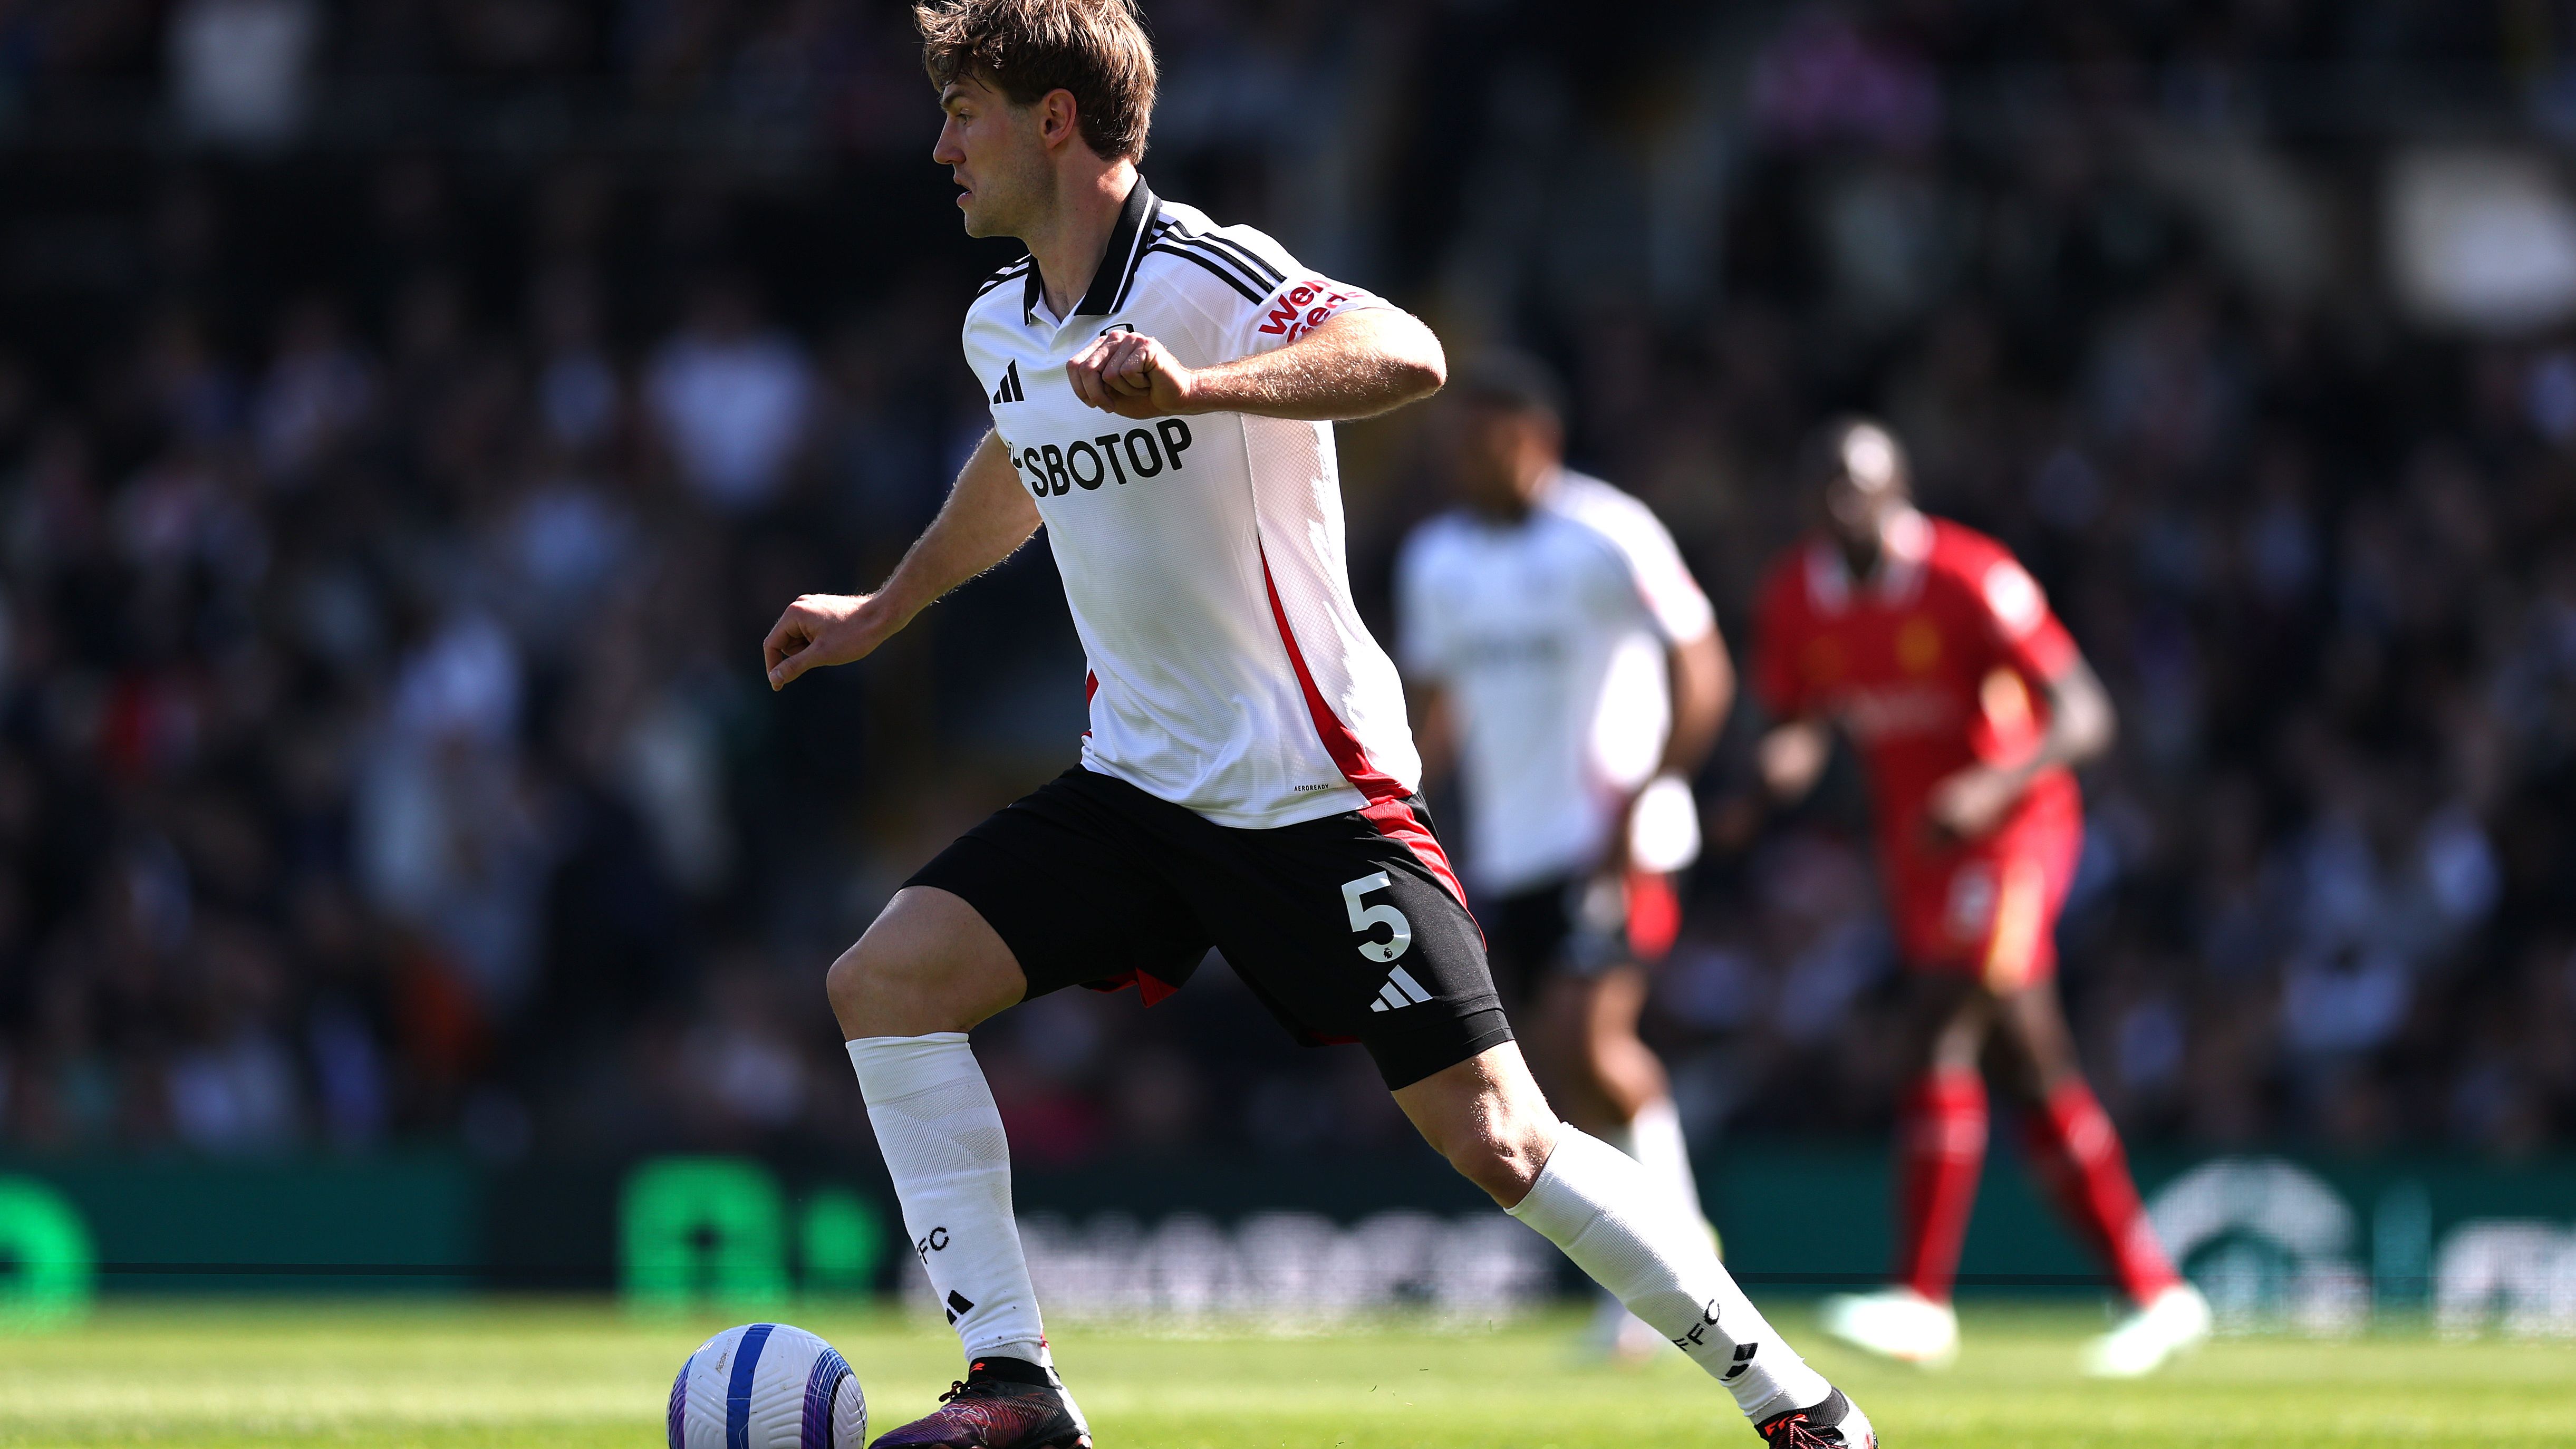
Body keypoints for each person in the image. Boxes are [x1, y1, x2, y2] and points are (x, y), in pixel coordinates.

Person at [761, 3, 1874, 1446]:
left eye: (963, 110)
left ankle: (1789, 1400)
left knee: (1502, 1138)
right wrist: (881, 608)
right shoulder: (1003, 323)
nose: (937, 145)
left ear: (1053, 119)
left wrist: (1201, 386)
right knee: (884, 981)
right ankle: (1012, 1387)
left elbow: (1403, 352)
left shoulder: (1204, 272)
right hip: (1137, 789)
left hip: (1311, 795)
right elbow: (1022, 457)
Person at [1749, 417, 2210, 1377]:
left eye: (1858, 484)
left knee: (1934, 1030)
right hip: (1919, 852)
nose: (1841, 503)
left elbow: (2085, 713)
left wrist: (1994, 787)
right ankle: (2157, 1293)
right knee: (2031, 1067)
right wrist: (1784, 763)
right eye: (1825, 486)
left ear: (1897, 491)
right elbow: (1800, 714)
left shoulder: (1968, 577)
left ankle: (1920, 1300)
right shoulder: (1797, 596)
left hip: (2013, 836)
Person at [1395, 352, 1731, 1357]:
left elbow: (1703, 670)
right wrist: (1401, 805)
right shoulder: (1437, 560)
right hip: (1516, 851)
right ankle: (1636, 1291)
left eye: (1481, 433)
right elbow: (1435, 704)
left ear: (1534, 437)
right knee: (1562, 1079)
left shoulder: (1607, 532)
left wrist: (1650, 795)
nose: (1460, 452)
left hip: (1616, 844)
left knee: (1592, 1041)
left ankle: (1683, 1255)